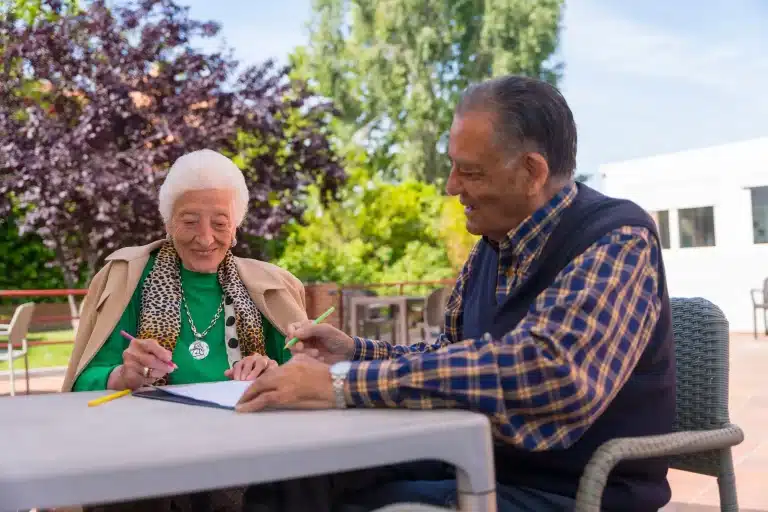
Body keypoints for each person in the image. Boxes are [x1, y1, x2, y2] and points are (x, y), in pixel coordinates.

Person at [237, 76, 676, 512]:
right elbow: (449, 356)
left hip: (571, 492)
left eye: (470, 172)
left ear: (532, 172)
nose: (451, 186)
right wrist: (353, 354)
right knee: (297, 471)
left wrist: (342, 384)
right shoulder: (492, 247)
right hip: (475, 459)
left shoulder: (617, 238)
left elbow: (549, 374)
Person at [61, 148, 308, 512]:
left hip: (243, 450)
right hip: (147, 453)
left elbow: (307, 380)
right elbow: (82, 383)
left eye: (220, 223)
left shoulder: (272, 287)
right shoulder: (127, 278)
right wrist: (123, 375)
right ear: (168, 223)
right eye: (189, 221)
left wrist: (271, 371)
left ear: (235, 229)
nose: (205, 238)